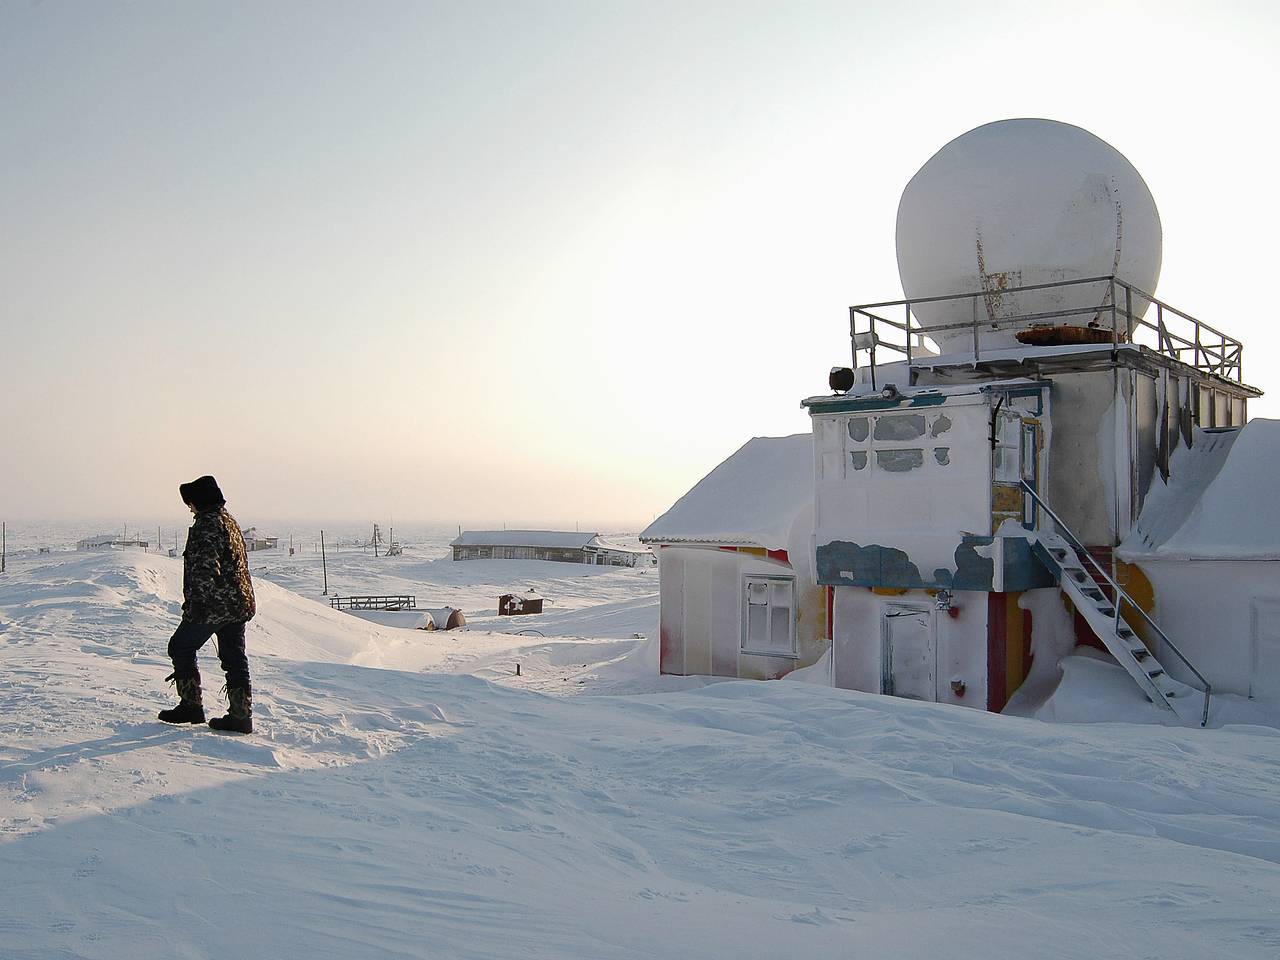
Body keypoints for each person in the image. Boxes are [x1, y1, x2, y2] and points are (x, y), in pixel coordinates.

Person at [158, 475, 257, 733]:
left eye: (189, 503)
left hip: (215, 604)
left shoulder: (207, 524)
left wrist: (197, 605)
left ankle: (191, 705)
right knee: (234, 657)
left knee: (180, 646)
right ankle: (240, 716)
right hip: (238, 603)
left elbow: (204, 568)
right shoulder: (228, 520)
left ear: (198, 501)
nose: (189, 508)